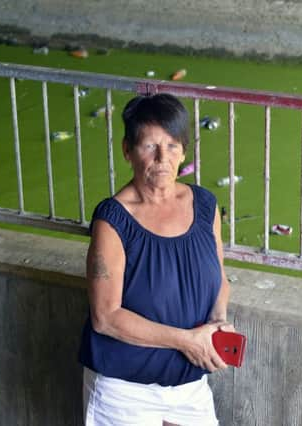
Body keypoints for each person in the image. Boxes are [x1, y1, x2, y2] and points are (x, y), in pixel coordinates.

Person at [78, 93, 232, 425]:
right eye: (150, 146)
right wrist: (186, 341)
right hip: (124, 392)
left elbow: (219, 276)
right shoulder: (114, 220)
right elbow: (105, 317)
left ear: (184, 151)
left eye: (173, 145)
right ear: (127, 151)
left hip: (189, 385)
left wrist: (217, 322)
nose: (163, 157)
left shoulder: (204, 206)